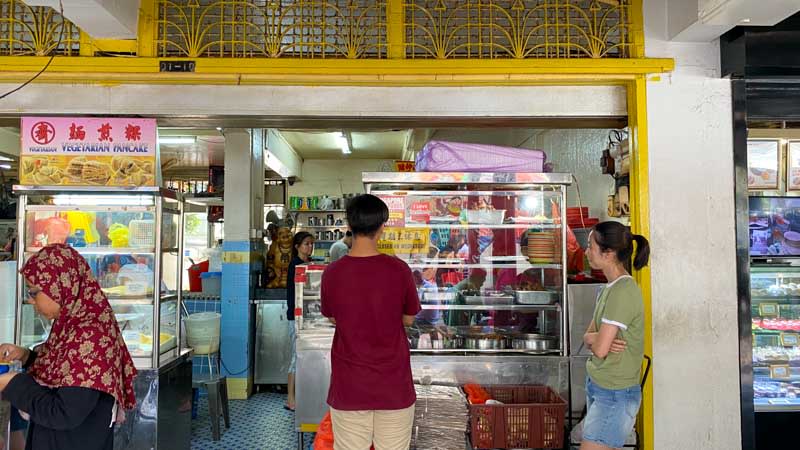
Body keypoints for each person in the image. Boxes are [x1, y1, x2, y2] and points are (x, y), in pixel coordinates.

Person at [0, 244, 137, 450]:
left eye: (34, 292)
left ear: (60, 285)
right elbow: (68, 373)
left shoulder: (89, 335)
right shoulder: (74, 322)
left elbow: (64, 412)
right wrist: (26, 356)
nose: (30, 300)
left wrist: (12, 383)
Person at [321, 194, 420, 450]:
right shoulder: (399, 270)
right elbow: (408, 319)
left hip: (349, 385)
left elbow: (332, 316)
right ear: (382, 227)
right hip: (393, 385)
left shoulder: (332, 272)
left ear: (349, 225)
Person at [581, 222, 650, 450]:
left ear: (608, 253)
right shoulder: (608, 288)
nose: (586, 251)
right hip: (600, 386)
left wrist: (597, 341)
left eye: (591, 246)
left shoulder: (623, 291)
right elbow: (588, 337)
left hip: (614, 394)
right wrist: (595, 339)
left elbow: (599, 349)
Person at [285, 231, 314, 411]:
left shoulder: (306, 264)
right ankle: (290, 399)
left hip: (304, 317)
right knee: (296, 357)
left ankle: (300, 396)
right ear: (297, 246)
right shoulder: (296, 265)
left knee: (301, 357)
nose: (310, 247)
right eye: (306, 244)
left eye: (311, 244)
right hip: (295, 317)